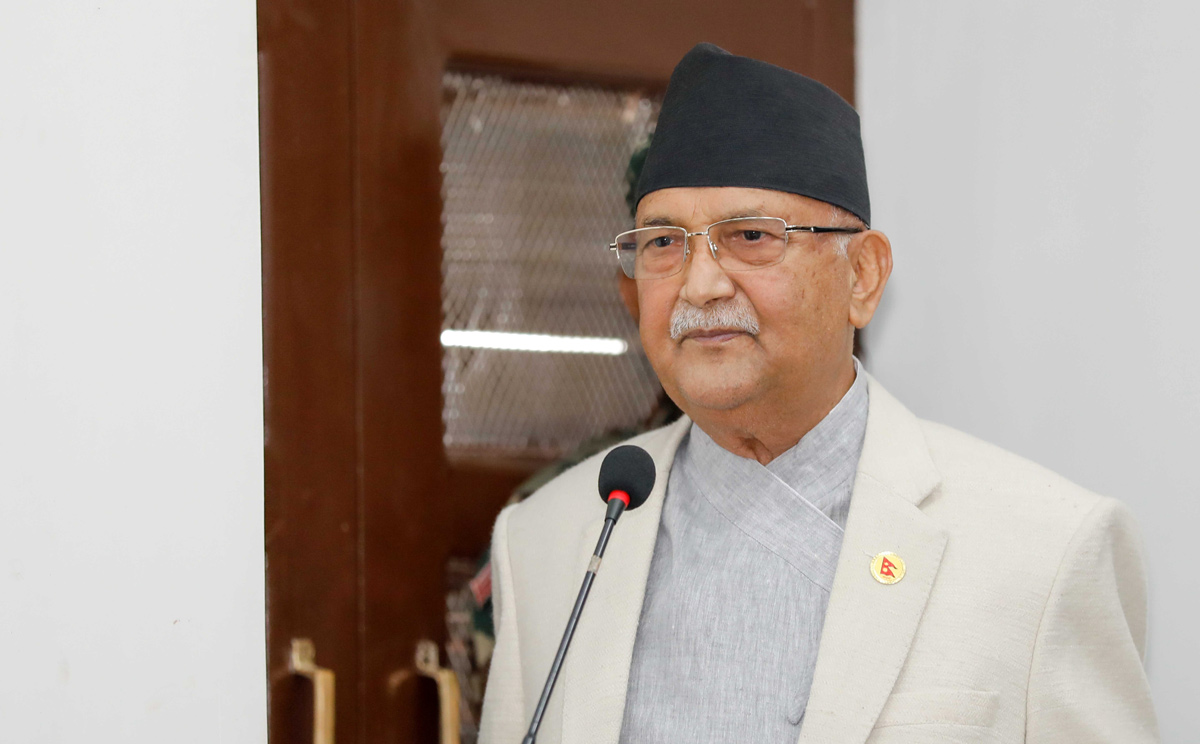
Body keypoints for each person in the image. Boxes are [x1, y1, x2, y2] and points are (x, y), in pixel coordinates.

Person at [478, 43, 1159, 744]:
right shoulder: (548, 540)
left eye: (750, 236)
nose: (700, 285)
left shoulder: (1042, 552)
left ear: (862, 276)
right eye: (662, 243)